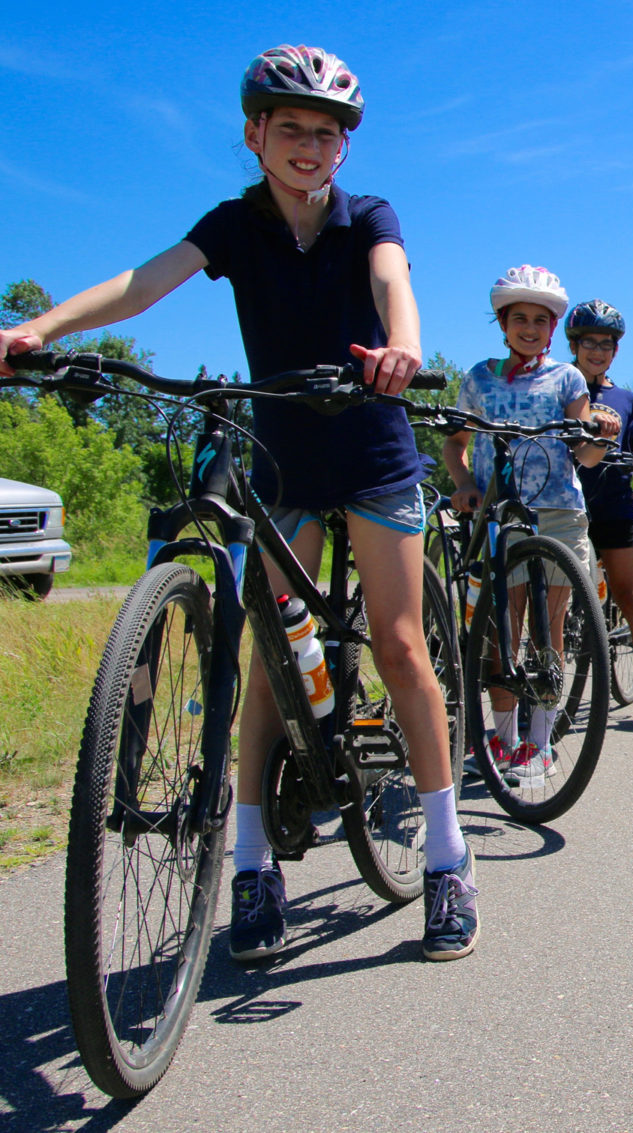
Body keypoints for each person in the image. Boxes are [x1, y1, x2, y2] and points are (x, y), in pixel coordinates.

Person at [0, 45, 478, 961]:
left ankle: (449, 859)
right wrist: (41, 329)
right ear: (255, 133)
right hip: (282, 453)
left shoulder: (367, 214)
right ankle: (255, 869)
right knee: (270, 661)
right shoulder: (235, 224)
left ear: (345, 148)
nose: (309, 146)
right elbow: (144, 282)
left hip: (370, 443)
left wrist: (402, 348)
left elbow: (393, 283)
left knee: (400, 642)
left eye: (327, 133)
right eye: (290, 128)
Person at [442, 267, 617, 780]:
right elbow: (455, 442)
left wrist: (601, 432)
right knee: (503, 630)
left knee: (550, 629)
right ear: (502, 322)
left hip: (558, 512)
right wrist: (463, 484)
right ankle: (502, 737)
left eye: (540, 320)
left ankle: (539, 743)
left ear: (552, 326)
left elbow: (584, 455)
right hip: (500, 511)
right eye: (519, 318)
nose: (529, 328)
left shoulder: (567, 378)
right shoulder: (478, 377)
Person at [568, 298, 633, 728]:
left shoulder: (627, 399)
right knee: (556, 601)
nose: (597, 351)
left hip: (612, 505)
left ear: (616, 350)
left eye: (606, 344)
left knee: (632, 596)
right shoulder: (558, 385)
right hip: (565, 505)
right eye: (589, 342)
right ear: (574, 344)